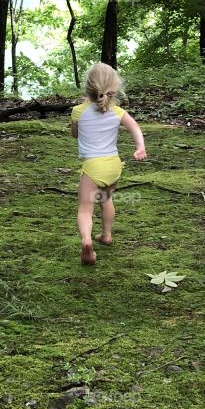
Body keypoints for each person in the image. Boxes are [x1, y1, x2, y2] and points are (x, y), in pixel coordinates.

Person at [71, 62, 147, 266]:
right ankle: (106, 235)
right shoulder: (118, 112)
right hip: (113, 165)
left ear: (88, 87)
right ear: (114, 88)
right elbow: (135, 128)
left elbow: (75, 134)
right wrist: (140, 147)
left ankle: (87, 242)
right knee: (106, 200)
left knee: (86, 208)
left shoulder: (78, 111)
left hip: (93, 167)